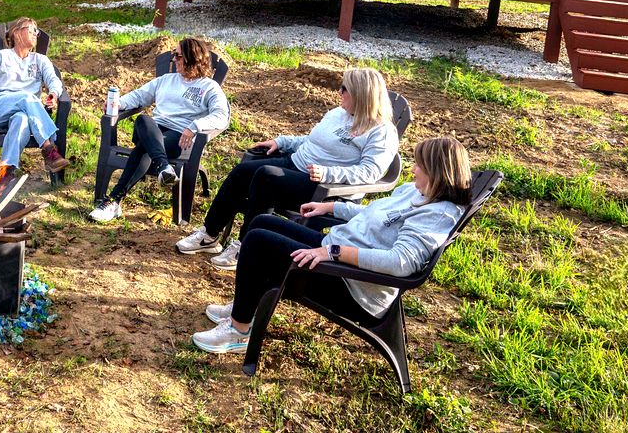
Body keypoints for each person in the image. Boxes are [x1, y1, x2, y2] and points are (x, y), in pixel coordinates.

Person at [191, 136, 472, 355]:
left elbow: (401, 263)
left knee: (258, 242)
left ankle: (240, 331)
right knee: (263, 222)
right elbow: (373, 215)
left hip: (351, 284)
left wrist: (333, 252)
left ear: (438, 173)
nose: (414, 169)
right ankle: (246, 304)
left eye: (420, 166)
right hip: (335, 254)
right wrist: (331, 206)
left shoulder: (437, 214)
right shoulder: (416, 192)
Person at [174, 66, 400, 271]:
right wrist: (281, 142)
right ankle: (210, 235)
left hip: (323, 187)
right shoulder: (337, 114)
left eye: (344, 89)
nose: (339, 92)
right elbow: (311, 140)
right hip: (295, 165)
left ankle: (246, 245)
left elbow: (371, 172)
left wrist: (329, 173)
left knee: (266, 178)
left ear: (361, 95)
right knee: (243, 172)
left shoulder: (381, 131)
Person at [89, 37, 230, 223]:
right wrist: (116, 103)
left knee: (143, 149)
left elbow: (222, 115)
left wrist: (195, 126)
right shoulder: (166, 80)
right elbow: (140, 96)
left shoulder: (209, 87)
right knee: (143, 119)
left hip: (180, 136)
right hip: (152, 129)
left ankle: (113, 201)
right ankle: (164, 166)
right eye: (173, 55)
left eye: (178, 56)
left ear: (192, 57)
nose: (174, 60)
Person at [0, 17, 70, 174]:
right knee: (26, 97)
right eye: (32, 30)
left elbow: (54, 80)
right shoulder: (0, 57)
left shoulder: (40, 60)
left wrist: (53, 93)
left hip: (27, 110)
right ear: (16, 33)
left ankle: (5, 172)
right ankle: (48, 149)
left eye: (37, 31)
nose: (35, 34)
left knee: (22, 120)